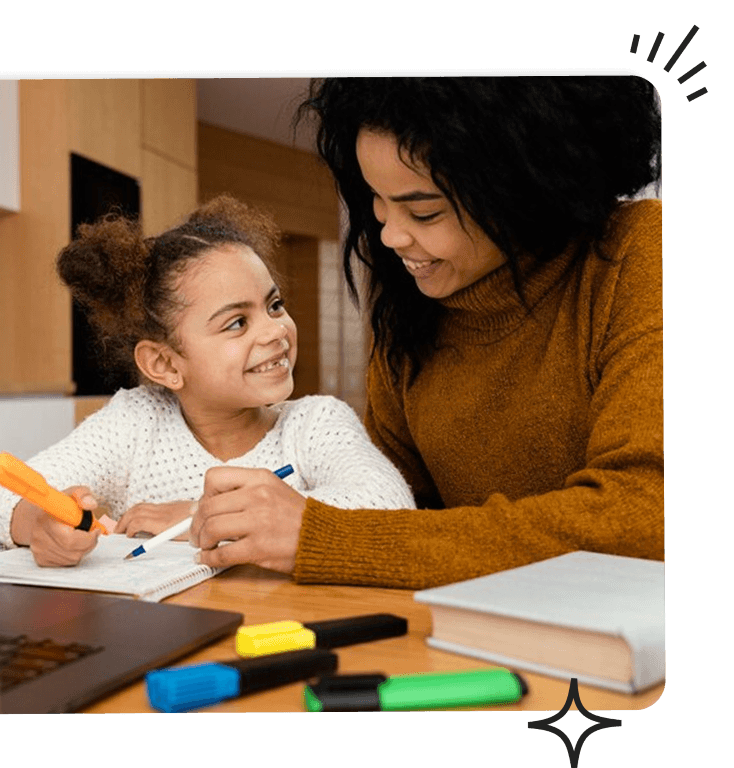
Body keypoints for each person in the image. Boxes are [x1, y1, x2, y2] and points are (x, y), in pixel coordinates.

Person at [189, 75, 664, 588]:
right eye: (375, 199)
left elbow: (645, 516)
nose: (391, 235)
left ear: (522, 185)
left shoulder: (642, 254)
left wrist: (328, 537)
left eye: (424, 211)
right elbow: (389, 499)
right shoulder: (410, 315)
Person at [0, 195, 415, 566]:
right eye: (236, 323)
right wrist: (39, 524)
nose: (275, 331)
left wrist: (198, 516)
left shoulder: (316, 423)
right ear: (165, 364)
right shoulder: (137, 421)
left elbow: (390, 505)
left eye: (275, 305)